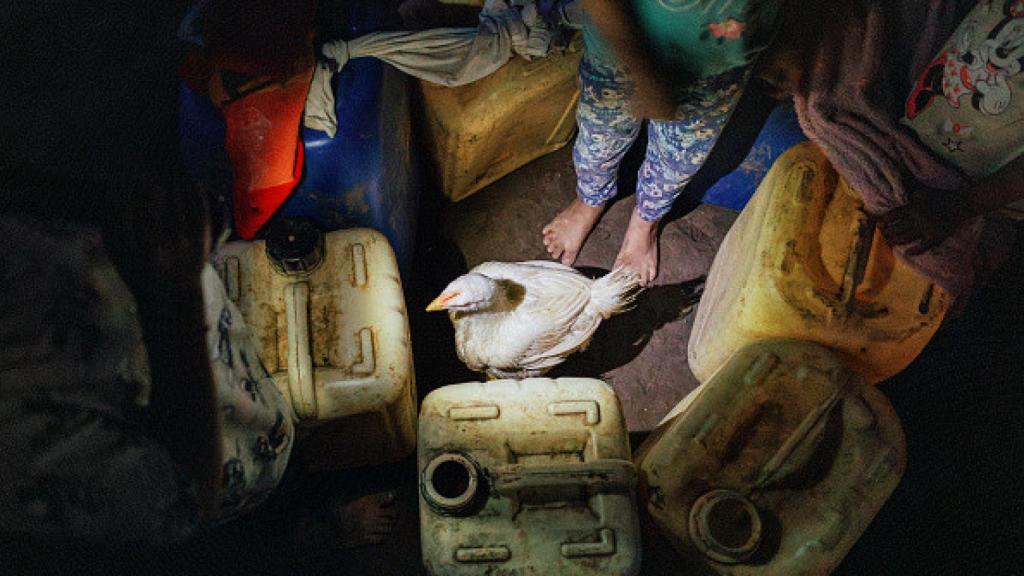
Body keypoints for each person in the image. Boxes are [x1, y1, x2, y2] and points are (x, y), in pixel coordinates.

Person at [542, 0, 784, 285]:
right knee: (599, 133)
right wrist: (633, 53)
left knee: (681, 156)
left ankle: (646, 222)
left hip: (724, 54)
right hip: (618, 39)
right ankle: (590, 198)